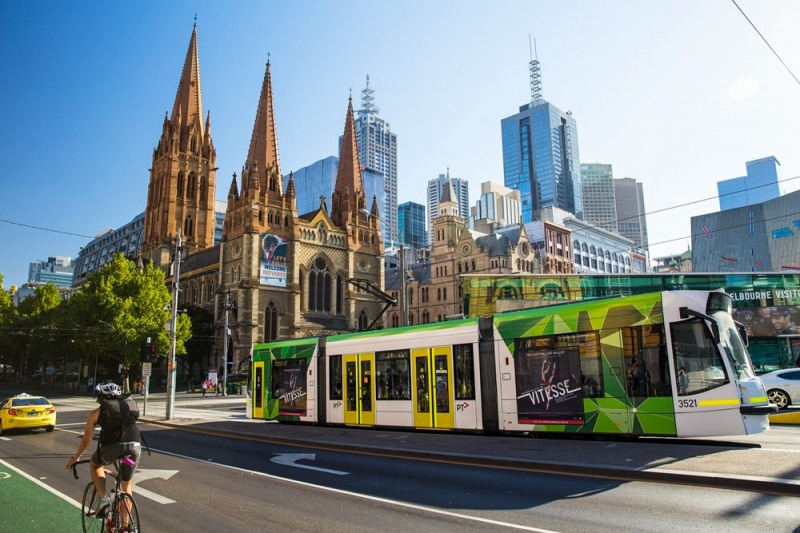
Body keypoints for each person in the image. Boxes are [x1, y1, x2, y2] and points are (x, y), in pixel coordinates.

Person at [65, 382, 142, 517]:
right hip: (135, 445)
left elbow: (86, 440)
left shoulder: (97, 412)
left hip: (112, 446)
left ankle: (104, 499)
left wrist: (76, 458)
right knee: (126, 485)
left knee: (95, 464)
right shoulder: (128, 406)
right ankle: (125, 525)